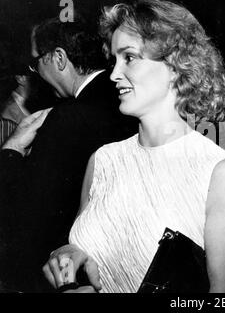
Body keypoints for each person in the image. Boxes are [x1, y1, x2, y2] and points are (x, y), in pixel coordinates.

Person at [42, 0, 225, 293]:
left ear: (177, 65)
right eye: (113, 60)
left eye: (129, 57)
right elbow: (87, 255)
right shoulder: (103, 160)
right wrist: (67, 260)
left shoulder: (218, 173)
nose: (114, 74)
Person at [0, 17, 136, 292]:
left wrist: (12, 149)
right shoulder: (124, 102)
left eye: (36, 61)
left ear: (59, 58)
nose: (35, 71)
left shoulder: (69, 117)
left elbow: (25, 213)